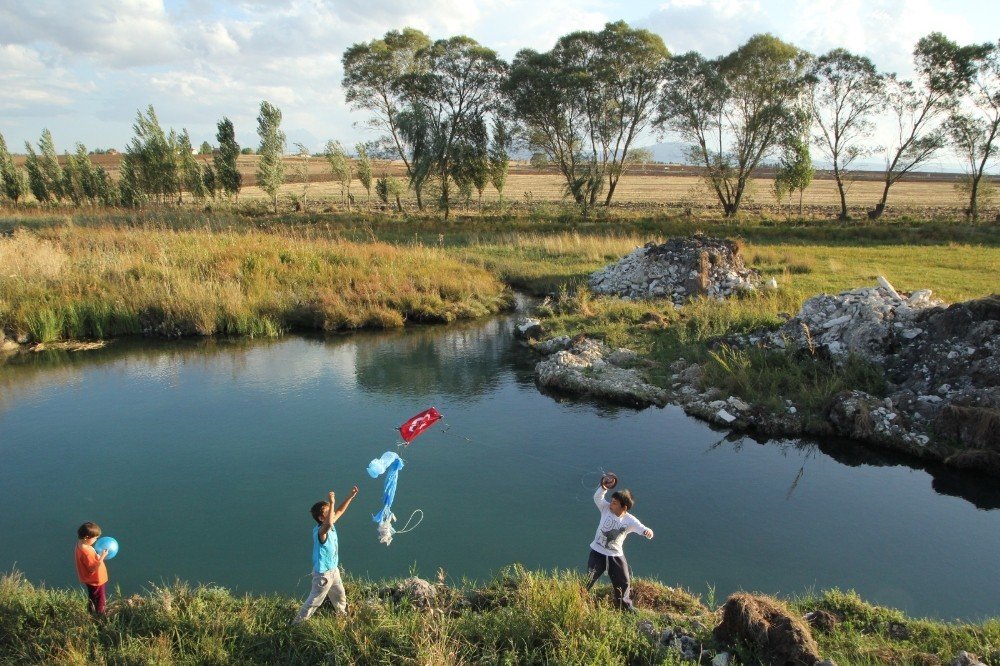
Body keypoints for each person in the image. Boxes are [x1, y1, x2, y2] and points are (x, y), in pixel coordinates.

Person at [293, 485, 359, 623]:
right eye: (329, 511)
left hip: (333, 570)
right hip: (323, 575)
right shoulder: (321, 532)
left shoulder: (330, 523)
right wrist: (332, 502)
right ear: (321, 518)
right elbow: (329, 523)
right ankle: (296, 624)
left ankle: (342, 618)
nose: (332, 512)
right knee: (314, 601)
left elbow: (340, 511)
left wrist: (350, 496)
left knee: (340, 596)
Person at [585, 478, 653, 611]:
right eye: (612, 501)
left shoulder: (629, 520)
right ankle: (579, 598)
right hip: (597, 552)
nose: (611, 504)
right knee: (589, 578)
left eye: (615, 503)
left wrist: (647, 531)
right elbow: (597, 497)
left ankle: (625, 606)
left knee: (623, 581)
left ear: (624, 507)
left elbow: (641, 528)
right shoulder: (605, 509)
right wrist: (604, 487)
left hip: (615, 556)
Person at [75, 522, 110, 617]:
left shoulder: (80, 544)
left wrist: (96, 555)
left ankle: (91, 613)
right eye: (95, 538)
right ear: (86, 537)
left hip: (89, 579)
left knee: (92, 597)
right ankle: (100, 617)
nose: (96, 540)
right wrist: (102, 556)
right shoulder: (86, 551)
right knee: (100, 599)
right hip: (96, 580)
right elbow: (92, 568)